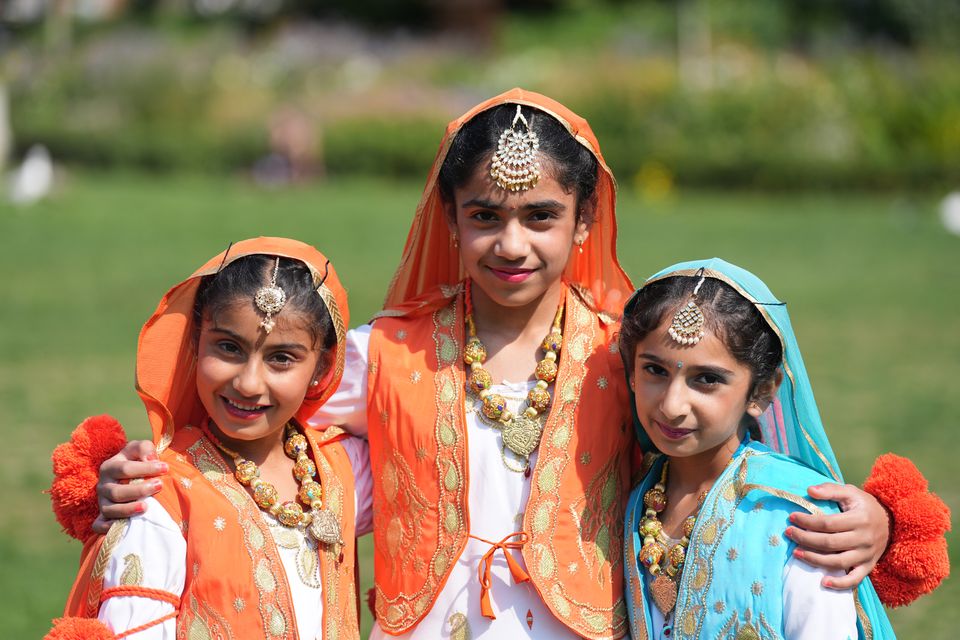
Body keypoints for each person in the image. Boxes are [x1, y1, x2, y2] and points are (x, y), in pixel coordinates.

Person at [79, 90, 929, 639]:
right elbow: (263, 424)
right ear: (449, 219)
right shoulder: (386, 354)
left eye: (540, 216)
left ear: (584, 222)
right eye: (485, 214)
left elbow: (730, 437)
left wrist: (873, 522)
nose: (511, 242)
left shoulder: (629, 356)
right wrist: (149, 480)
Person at [47, 238, 372, 639]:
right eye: (228, 348)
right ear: (194, 344)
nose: (249, 383)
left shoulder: (343, 471)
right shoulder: (157, 498)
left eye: (281, 358)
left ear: (322, 366)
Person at [619, 259, 906, 639]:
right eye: (655, 370)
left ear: (762, 391)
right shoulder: (632, 491)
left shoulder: (797, 518)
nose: (672, 405)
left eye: (706, 379)